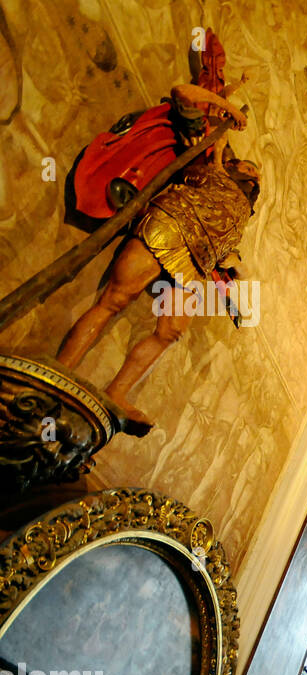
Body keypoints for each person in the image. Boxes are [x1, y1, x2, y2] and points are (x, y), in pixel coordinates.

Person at [56, 82, 257, 431]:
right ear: (234, 163)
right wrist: (229, 109)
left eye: (256, 176)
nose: (254, 173)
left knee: (171, 331)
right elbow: (183, 93)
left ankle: (116, 392)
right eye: (249, 166)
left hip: (197, 261)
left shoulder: (242, 211)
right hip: (168, 227)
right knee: (115, 299)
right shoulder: (209, 153)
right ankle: (60, 372)